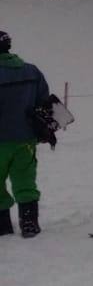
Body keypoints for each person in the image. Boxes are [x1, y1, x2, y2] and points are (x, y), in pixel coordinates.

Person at [0, 30, 48, 238]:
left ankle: (2, 225)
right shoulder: (31, 71)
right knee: (25, 180)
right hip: (26, 139)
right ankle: (29, 222)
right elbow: (44, 103)